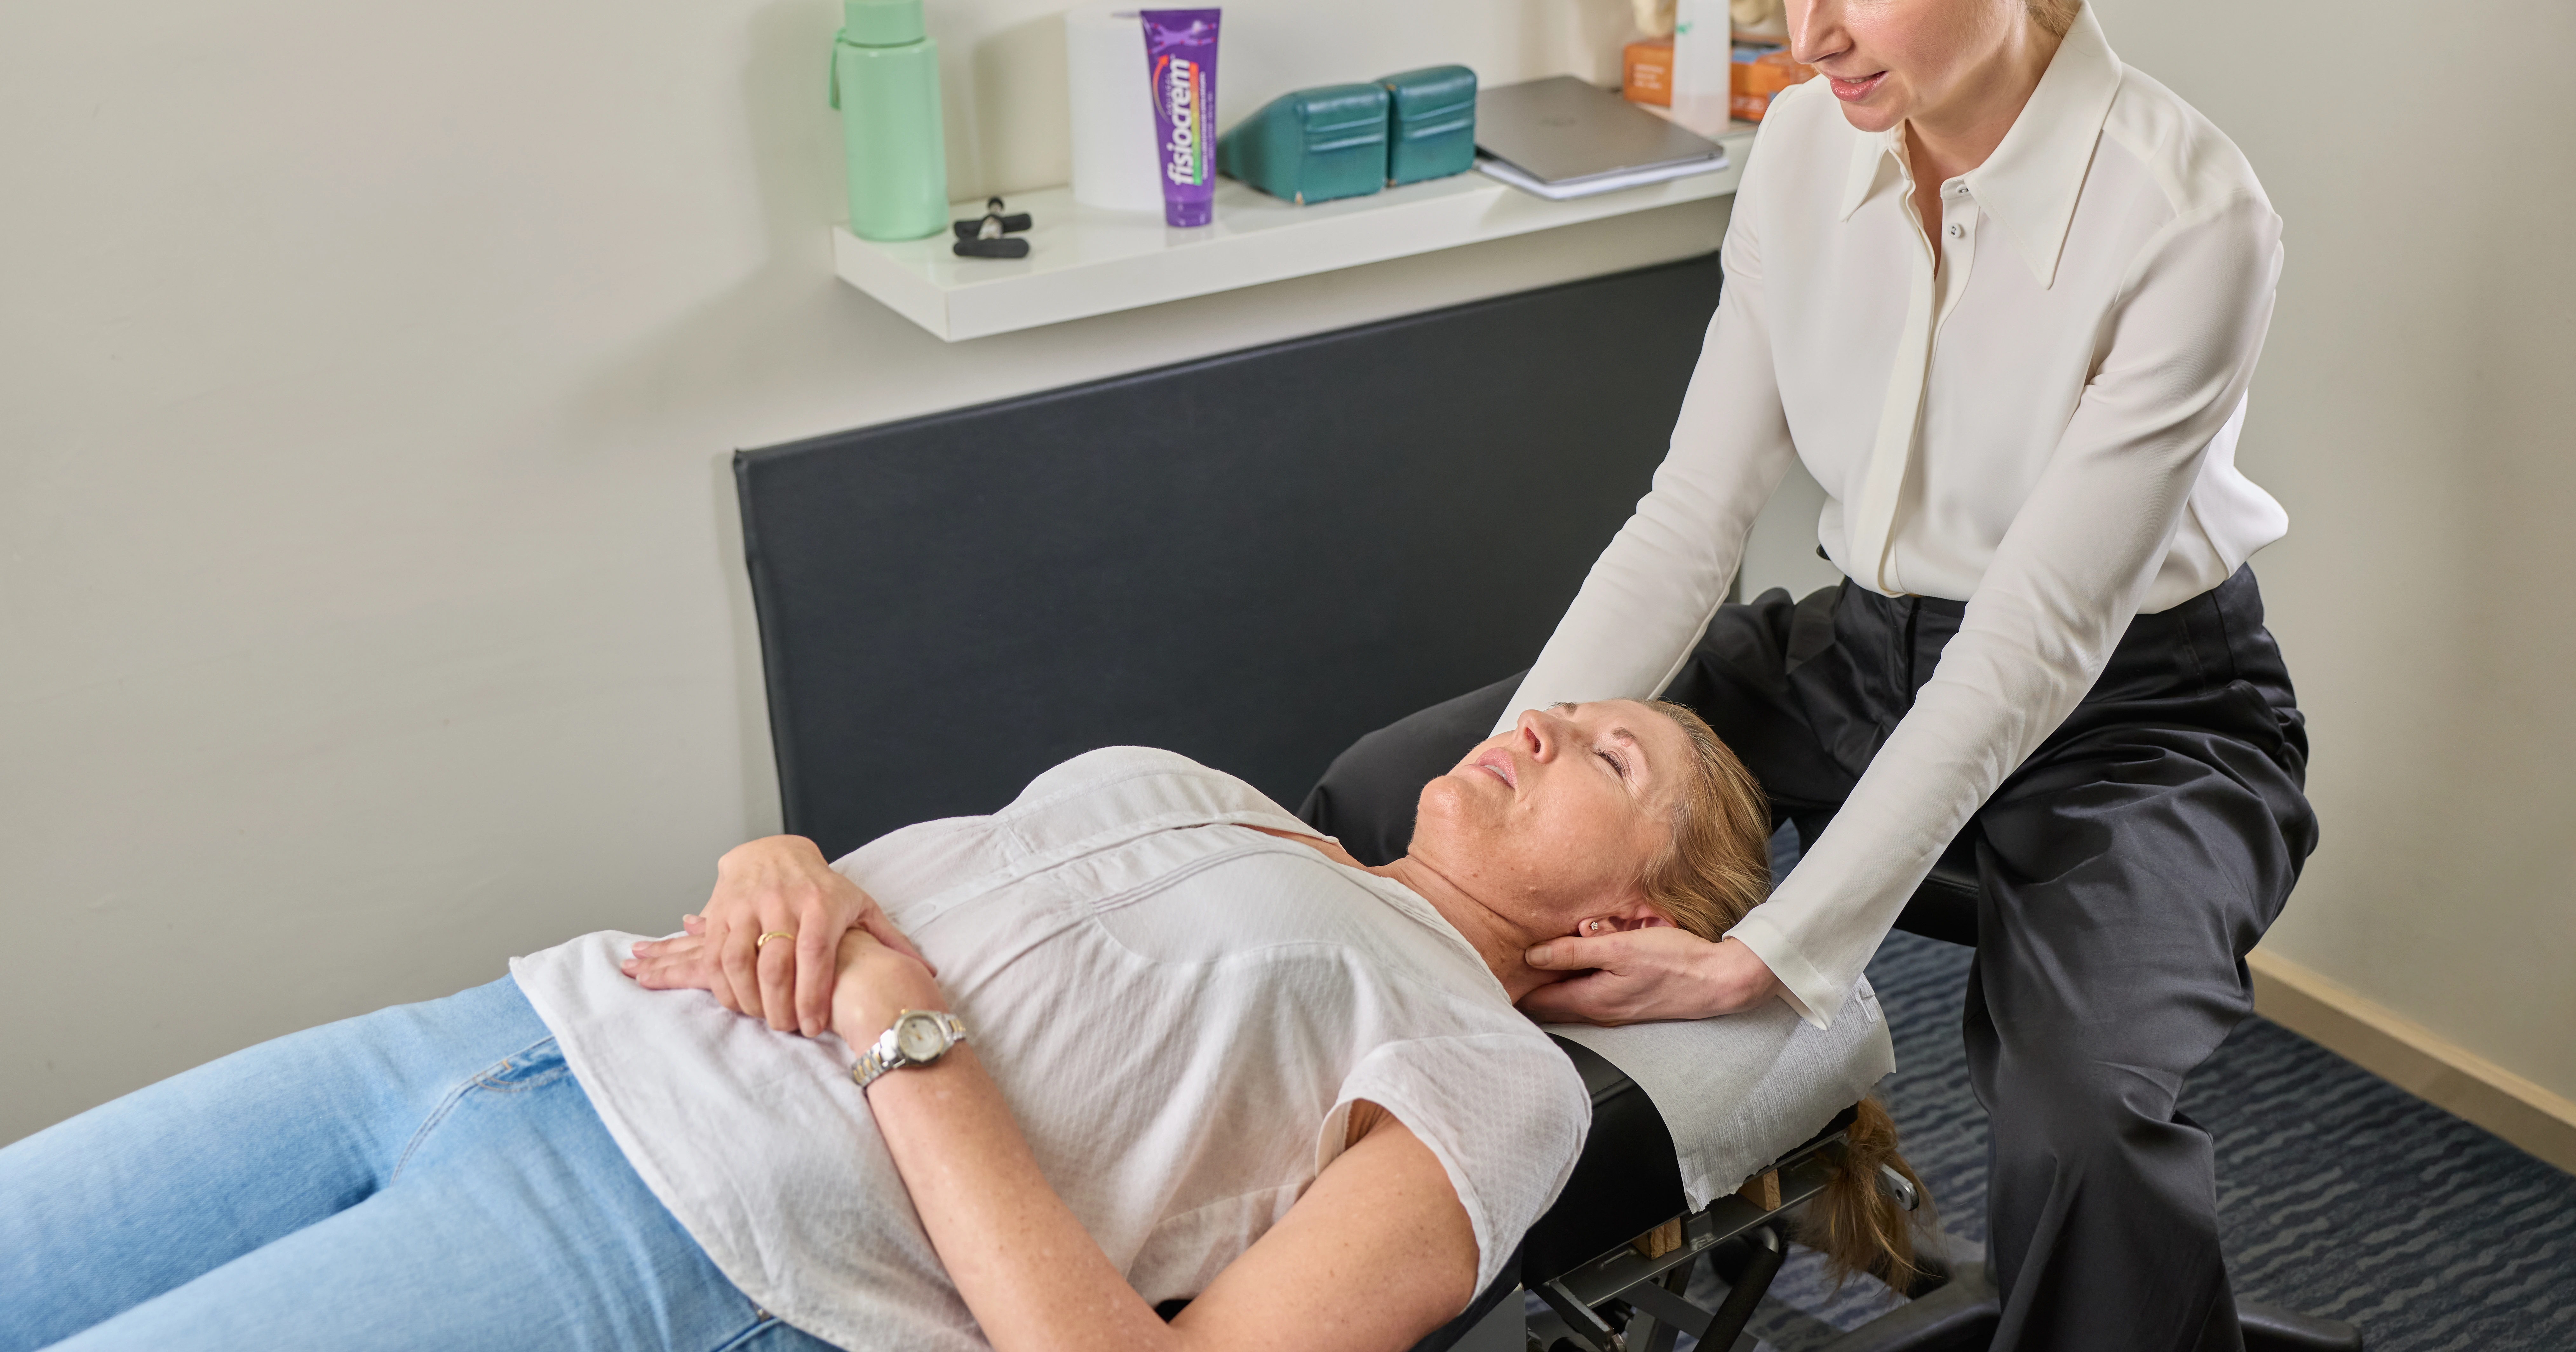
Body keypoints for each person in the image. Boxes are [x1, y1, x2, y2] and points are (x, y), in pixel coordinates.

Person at [1300, 0, 2318, 1352]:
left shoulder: (2187, 216)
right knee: (1384, 792)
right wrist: (1520, 774)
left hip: (2137, 717)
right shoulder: (1796, 151)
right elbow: (1689, 518)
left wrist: (1771, 955)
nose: (1812, 36)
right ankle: (1348, 1244)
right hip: (1860, 653)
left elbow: (2036, 638)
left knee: (2075, 1114)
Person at [0, 701, 1908, 1352]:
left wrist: (907, 1028)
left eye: (1607, 754)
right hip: (497, 1036)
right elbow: (855, 901)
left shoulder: (1488, 1082)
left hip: (682, 1237)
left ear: (1622, 915)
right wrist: (777, 860)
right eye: (1564, 704)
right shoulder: (1228, 795)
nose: (1544, 722)